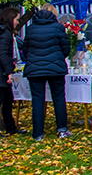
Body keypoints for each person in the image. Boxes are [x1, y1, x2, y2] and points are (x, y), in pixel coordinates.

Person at [22, 9, 72, 141]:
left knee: (38, 100)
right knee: (59, 98)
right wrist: (60, 57)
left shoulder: (31, 28)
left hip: (35, 68)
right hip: (55, 67)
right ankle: (62, 129)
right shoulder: (58, 27)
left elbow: (25, 48)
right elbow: (66, 47)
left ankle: (38, 133)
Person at [0, 8, 27, 137]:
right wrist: (8, 72)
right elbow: (2, 54)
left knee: (8, 100)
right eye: (16, 19)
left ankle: (10, 127)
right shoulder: (5, 34)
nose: (17, 22)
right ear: (11, 19)